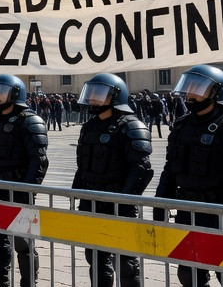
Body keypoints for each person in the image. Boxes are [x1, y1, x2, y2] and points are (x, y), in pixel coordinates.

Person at [154, 65, 223, 287]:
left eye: (198, 89)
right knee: (189, 275)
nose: (191, 94)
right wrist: (159, 205)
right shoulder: (183, 126)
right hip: (187, 212)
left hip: (220, 213)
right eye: (189, 88)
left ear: (216, 92)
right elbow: (170, 169)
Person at [73, 73, 152, 287]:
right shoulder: (89, 126)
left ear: (115, 96)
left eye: (98, 95)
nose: (92, 99)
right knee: (96, 259)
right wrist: (76, 196)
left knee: (125, 262)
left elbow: (141, 169)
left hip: (119, 204)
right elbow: (82, 167)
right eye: (91, 94)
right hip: (91, 202)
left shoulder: (130, 126)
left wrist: (124, 201)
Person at [0, 74, 49, 287]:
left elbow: (39, 160)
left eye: (1, 92)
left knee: (23, 241)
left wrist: (28, 189)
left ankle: (29, 282)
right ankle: (1, 281)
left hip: (17, 189)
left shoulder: (30, 121)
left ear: (14, 94)